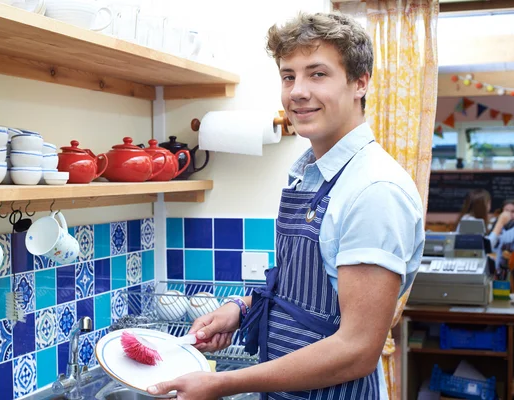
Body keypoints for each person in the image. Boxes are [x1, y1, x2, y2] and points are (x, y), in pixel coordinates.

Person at [147, 11, 425, 400]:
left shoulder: (373, 190)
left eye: (317, 74)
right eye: (288, 75)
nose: (297, 91)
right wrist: (240, 310)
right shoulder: (311, 174)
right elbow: (301, 295)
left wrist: (222, 383)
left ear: (360, 82)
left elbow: (357, 350)